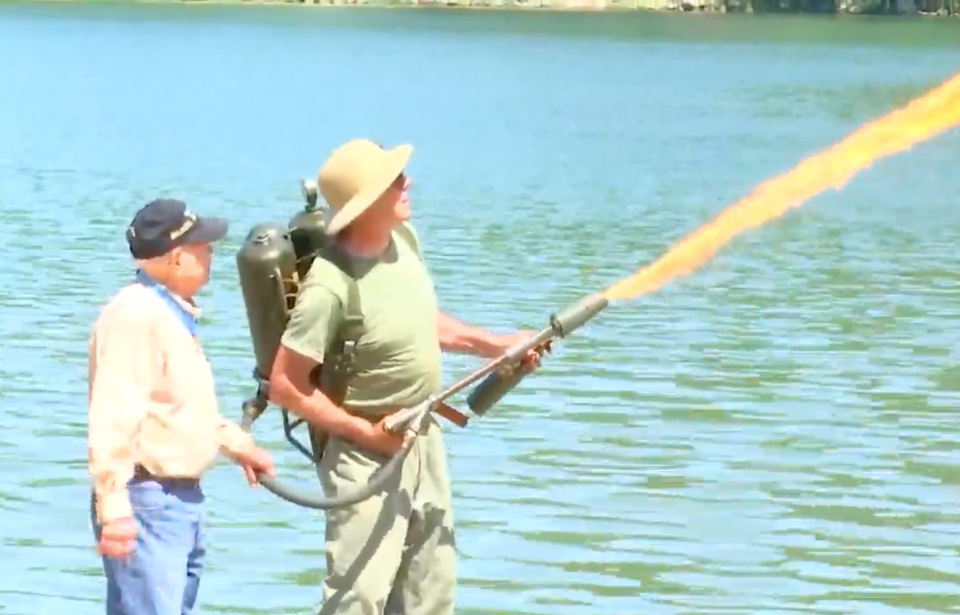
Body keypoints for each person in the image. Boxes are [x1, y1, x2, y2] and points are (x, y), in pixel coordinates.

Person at [267, 139, 539, 615]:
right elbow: (286, 384)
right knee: (358, 598)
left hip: (423, 437)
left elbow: (421, 319)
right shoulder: (330, 284)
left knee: (429, 591)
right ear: (367, 201)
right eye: (395, 180)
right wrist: (366, 433)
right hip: (363, 454)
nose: (407, 182)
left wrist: (495, 346)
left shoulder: (404, 243)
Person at [87, 198, 276, 615]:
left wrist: (235, 443)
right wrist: (114, 506)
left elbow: (176, 408)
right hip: (148, 500)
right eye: (203, 245)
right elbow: (113, 416)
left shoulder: (166, 312)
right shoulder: (135, 315)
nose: (211, 253)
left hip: (178, 501)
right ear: (175, 258)